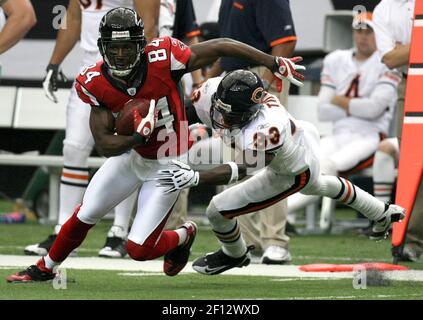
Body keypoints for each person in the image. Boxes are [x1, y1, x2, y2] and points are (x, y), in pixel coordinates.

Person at [6, 7, 305, 282]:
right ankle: (45, 268)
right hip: (134, 157)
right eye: (114, 48)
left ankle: (185, 234)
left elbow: (221, 44)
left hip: (168, 162)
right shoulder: (94, 80)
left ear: (141, 45)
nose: (121, 54)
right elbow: (105, 144)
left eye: (127, 47)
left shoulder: (164, 57)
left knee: (138, 249)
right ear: (103, 49)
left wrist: (273, 61)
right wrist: (137, 136)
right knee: (85, 214)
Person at [155, 70, 406, 275]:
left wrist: (196, 177)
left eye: (232, 116)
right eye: (221, 110)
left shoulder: (266, 127)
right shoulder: (214, 90)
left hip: (291, 169)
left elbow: (244, 168)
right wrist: (156, 125)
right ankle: (382, 212)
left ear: (251, 113)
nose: (222, 119)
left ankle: (235, 254)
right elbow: (186, 111)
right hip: (303, 135)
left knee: (217, 209)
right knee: (323, 185)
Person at [24, 0, 160, 259]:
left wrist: (141, 79)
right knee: (74, 148)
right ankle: (64, 231)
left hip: (126, 70)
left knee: (127, 150)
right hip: (91, 70)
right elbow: (73, 19)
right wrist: (54, 63)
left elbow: (149, 28)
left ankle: (119, 231)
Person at [287, 13, 401, 228]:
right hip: (338, 132)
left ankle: (281, 213)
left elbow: (374, 110)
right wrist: (356, 106)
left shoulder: (387, 62)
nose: (363, 36)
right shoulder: (336, 60)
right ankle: (282, 215)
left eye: (368, 31)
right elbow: (323, 111)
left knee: (329, 166)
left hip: (370, 134)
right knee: (305, 162)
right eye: (358, 31)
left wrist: (339, 101)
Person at [206, 0, 298, 265]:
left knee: (272, 161)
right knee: (235, 163)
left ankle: (275, 240)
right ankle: (245, 241)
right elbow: (228, 51)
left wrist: (266, 88)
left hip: (259, 80)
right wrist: (209, 79)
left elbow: (285, 42)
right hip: (231, 80)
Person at [373, 0, 422, 261]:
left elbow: (396, 54)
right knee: (412, 163)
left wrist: (406, 50)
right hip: (411, 84)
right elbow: (389, 59)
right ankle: (410, 239)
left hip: (412, 76)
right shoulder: (384, 8)